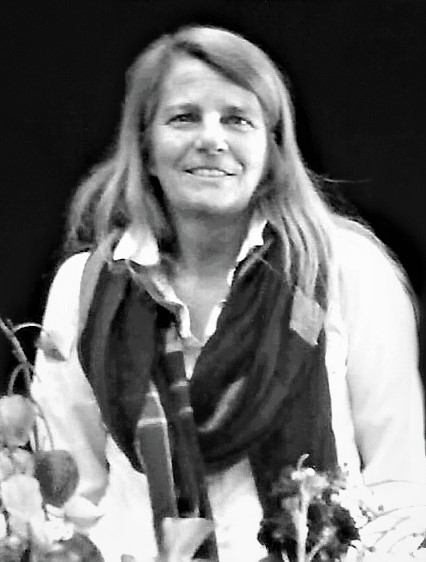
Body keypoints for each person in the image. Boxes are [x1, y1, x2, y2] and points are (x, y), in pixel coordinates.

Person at [32, 25, 426, 562]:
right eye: (184, 117)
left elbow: (400, 483)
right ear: (145, 146)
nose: (211, 139)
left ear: (273, 149)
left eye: (238, 119)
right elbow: (65, 493)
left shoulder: (344, 270)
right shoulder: (88, 287)